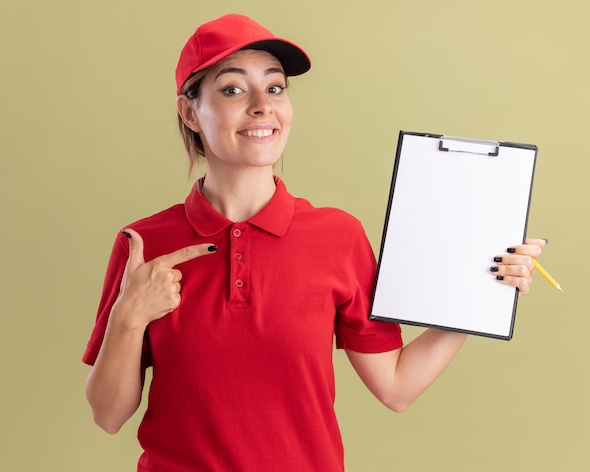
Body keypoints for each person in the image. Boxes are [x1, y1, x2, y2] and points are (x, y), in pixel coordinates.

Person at [82, 13, 546, 471]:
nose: (263, 105)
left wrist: (480, 291)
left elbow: (397, 387)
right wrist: (129, 316)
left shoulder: (337, 237)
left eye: (275, 87)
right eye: (232, 89)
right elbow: (108, 414)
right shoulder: (144, 243)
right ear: (190, 111)